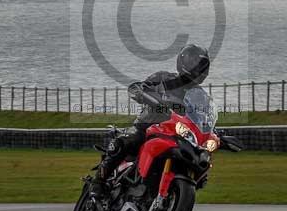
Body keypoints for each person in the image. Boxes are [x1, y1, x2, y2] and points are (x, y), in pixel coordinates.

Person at [89, 43, 211, 202]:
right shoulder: (164, 78)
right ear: (184, 61)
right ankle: (98, 183)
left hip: (175, 134)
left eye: (201, 65)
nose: (197, 68)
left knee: (200, 160)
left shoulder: (201, 97)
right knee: (125, 142)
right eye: (195, 63)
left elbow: (205, 118)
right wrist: (141, 92)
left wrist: (215, 133)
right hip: (147, 127)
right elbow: (137, 87)